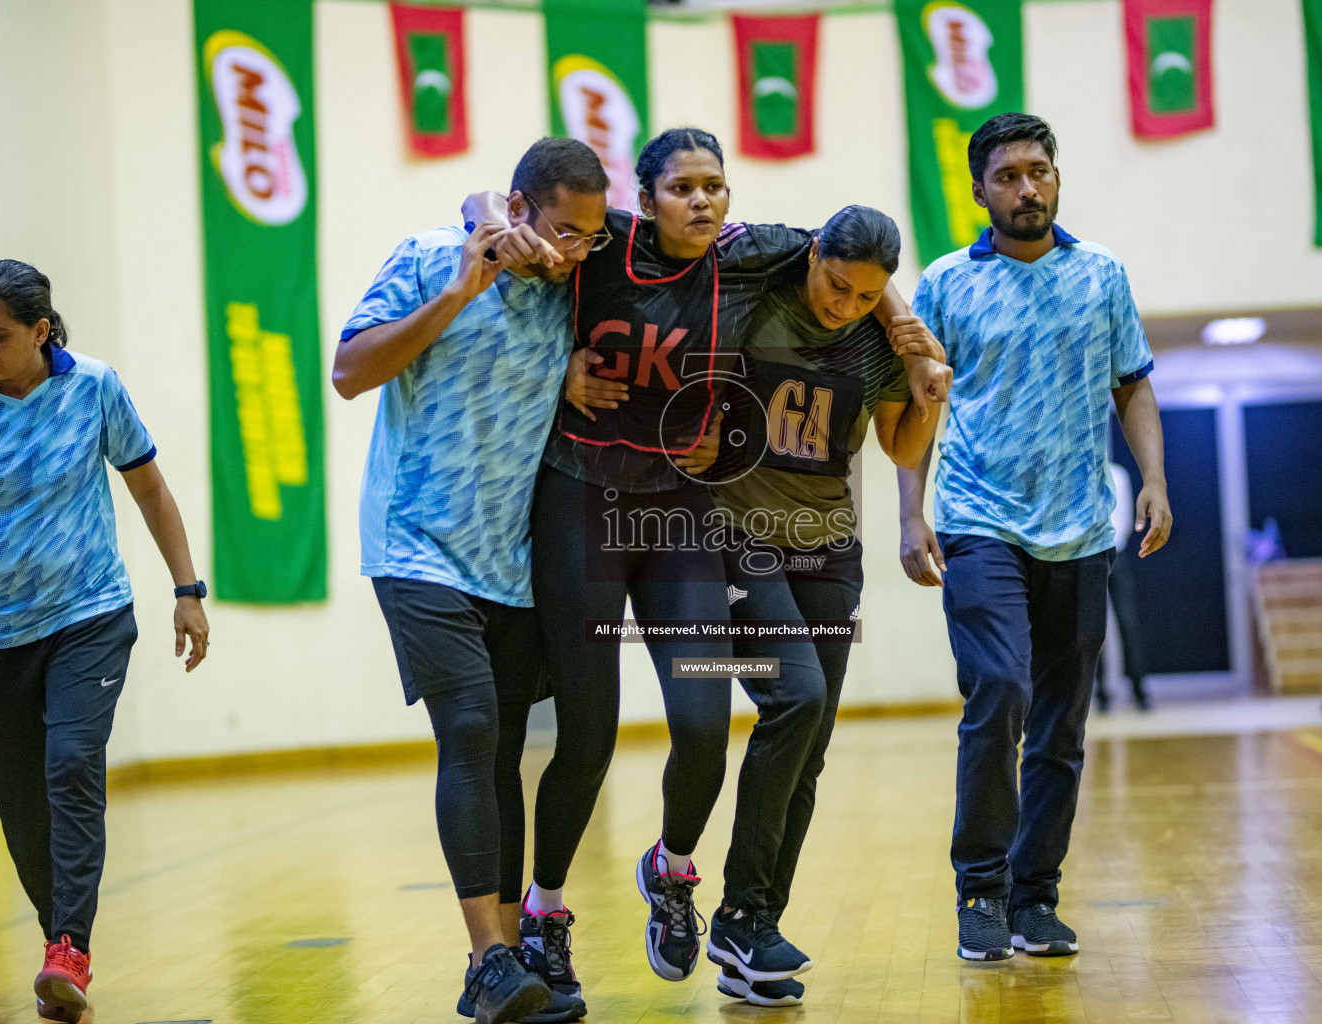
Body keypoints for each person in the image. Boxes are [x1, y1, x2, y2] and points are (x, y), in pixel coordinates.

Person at [467, 127, 944, 989]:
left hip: (682, 509)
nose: (702, 200)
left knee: (702, 725)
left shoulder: (752, 254)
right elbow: (492, 217)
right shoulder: (597, 238)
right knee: (588, 736)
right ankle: (544, 913)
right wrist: (555, 370)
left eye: (715, 187)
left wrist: (901, 316)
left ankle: (674, 871)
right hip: (583, 500)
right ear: (645, 199)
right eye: (682, 187)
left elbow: (851, 258)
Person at [333, 137, 609, 1024]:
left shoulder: (574, 294)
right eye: (563, 231)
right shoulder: (426, 260)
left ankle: (502, 960)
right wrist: (460, 289)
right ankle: (488, 955)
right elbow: (349, 373)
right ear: (522, 212)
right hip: (412, 543)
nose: (575, 251)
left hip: (508, 560)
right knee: (472, 723)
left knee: (500, 753)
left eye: (589, 239)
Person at [897, 113, 1172, 963]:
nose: (1028, 187)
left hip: (1083, 530)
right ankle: (978, 887)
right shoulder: (943, 283)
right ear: (979, 190)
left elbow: (1133, 385)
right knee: (1001, 690)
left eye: (1040, 171)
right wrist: (911, 512)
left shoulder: (1102, 276)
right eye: (1009, 174)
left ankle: (1034, 896)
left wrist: (1155, 479)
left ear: (1056, 178)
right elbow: (917, 411)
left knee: (1060, 725)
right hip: (979, 522)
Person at [704, 206, 949, 1006]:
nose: (844, 304)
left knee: (808, 745)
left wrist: (930, 397)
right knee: (796, 697)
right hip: (734, 532)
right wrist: (896, 303)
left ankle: (755, 929)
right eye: (836, 285)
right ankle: (741, 911)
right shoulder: (763, 284)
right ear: (814, 258)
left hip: (828, 549)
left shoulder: (876, 335)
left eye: (863, 295)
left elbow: (899, 447)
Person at [0, 259, 210, 1023]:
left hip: (87, 619)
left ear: (41, 330)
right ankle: (56, 945)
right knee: (17, 798)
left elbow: (149, 487)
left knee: (69, 764)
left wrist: (187, 591)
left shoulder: (94, 386)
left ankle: (70, 947)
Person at [1095, 462, 1151, 712]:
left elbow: (1126, 521)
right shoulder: (1077, 473)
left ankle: (1139, 690)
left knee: (1128, 623)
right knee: (1094, 627)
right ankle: (1101, 693)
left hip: (1117, 554)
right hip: (1089, 557)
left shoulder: (1118, 474)